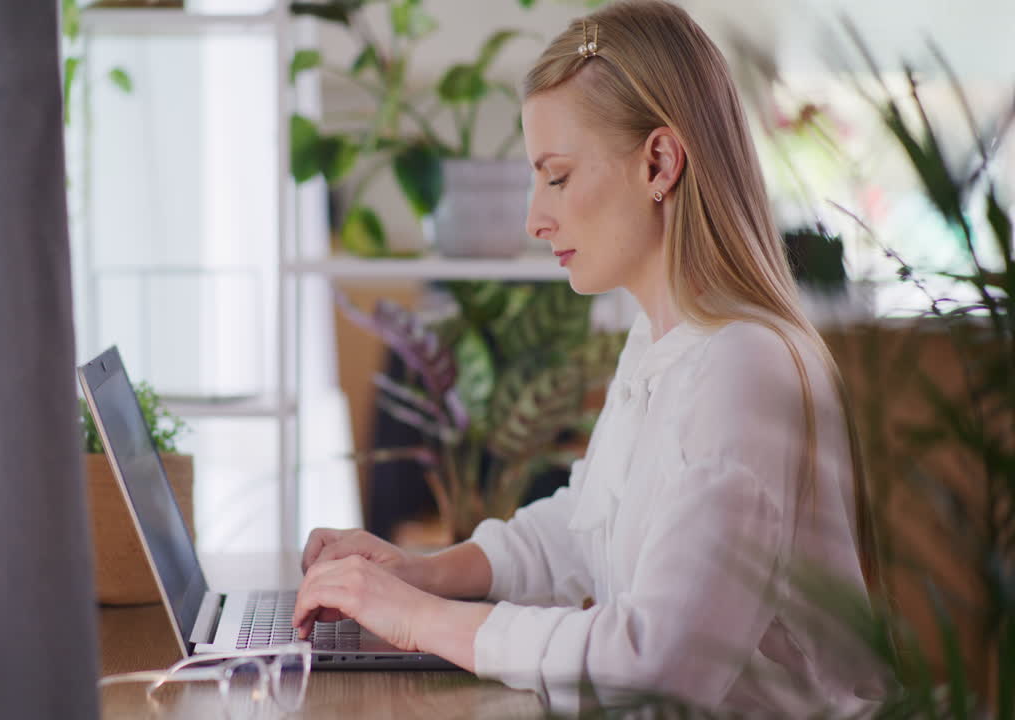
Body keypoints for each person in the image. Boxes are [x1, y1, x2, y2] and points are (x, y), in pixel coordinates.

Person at [291, 1, 887, 714]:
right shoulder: (668, 338)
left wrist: (418, 620)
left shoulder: (745, 368)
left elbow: (652, 663)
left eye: (559, 176)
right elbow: (584, 528)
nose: (534, 218)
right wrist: (425, 573)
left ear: (659, 163)